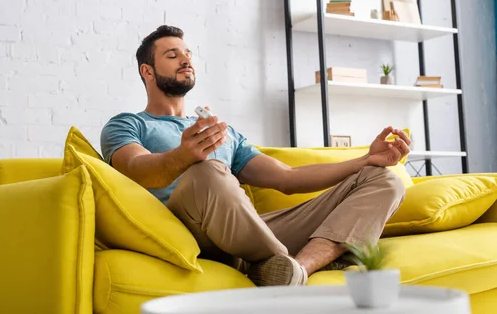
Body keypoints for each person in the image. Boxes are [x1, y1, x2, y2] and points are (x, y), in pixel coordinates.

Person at [100, 25, 408, 286]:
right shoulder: (128, 124)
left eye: (188, 54)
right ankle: (280, 260)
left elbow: (287, 178)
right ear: (147, 71)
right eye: (172, 55)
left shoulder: (222, 131)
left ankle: (295, 270)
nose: (186, 60)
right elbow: (136, 169)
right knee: (208, 171)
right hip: (191, 232)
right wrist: (184, 155)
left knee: (384, 180)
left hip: (247, 231)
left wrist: (366, 160)